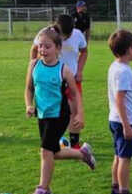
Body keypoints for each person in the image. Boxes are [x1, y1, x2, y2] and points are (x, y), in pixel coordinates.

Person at [23, 27, 86, 194]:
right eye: (40, 46)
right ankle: (82, 154)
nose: (43, 50)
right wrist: (29, 105)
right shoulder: (34, 65)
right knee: (53, 152)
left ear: (58, 48)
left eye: (47, 46)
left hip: (59, 114)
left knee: (45, 151)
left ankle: (43, 189)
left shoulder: (64, 70)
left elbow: (75, 94)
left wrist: (80, 115)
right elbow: (29, 89)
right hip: (42, 115)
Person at [30, 15, 94, 166]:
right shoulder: (46, 34)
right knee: (50, 114)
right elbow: (34, 50)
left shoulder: (78, 34)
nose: (65, 38)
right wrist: (34, 67)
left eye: (68, 35)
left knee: (73, 112)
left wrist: (80, 70)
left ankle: (75, 145)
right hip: (51, 80)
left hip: (70, 78)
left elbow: (84, 51)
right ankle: (72, 150)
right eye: (63, 35)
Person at [107, 29, 132, 194]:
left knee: (118, 155)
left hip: (115, 119)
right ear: (129, 49)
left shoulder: (115, 67)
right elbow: (120, 100)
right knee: (125, 158)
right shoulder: (123, 72)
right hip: (124, 121)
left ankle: (115, 189)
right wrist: (127, 126)